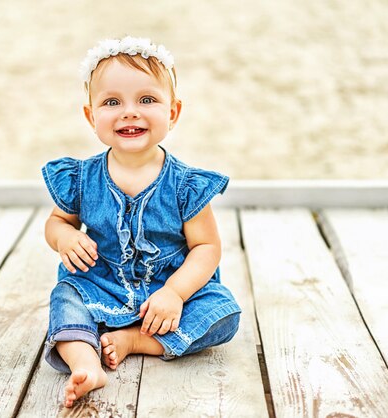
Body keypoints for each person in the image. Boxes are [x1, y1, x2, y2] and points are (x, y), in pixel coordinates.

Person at [41, 36, 242, 408]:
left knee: (223, 313)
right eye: (112, 102)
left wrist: (175, 293)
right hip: (102, 284)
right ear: (91, 116)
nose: (129, 112)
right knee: (65, 296)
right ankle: (86, 364)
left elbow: (207, 248)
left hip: (169, 290)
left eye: (147, 100)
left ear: (173, 112)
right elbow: (56, 222)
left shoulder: (185, 186)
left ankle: (135, 339)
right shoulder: (82, 178)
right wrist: (64, 237)